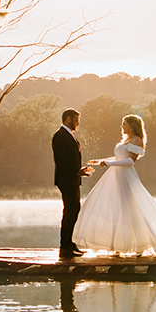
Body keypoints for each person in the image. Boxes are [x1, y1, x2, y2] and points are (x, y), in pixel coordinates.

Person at [72, 114, 156, 257]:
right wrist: (100, 161)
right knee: (116, 210)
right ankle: (117, 245)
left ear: (132, 125)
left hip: (126, 178)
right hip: (115, 177)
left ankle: (141, 244)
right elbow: (119, 157)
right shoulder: (125, 140)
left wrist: (110, 163)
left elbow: (130, 161)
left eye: (124, 124)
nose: (122, 126)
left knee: (130, 210)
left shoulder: (136, 140)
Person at [53, 108, 92, 260]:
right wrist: (76, 171)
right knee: (70, 211)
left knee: (74, 210)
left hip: (72, 179)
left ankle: (70, 244)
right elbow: (60, 160)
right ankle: (64, 248)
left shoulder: (68, 135)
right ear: (68, 119)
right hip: (66, 180)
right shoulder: (60, 136)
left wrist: (79, 172)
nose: (78, 123)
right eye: (76, 120)